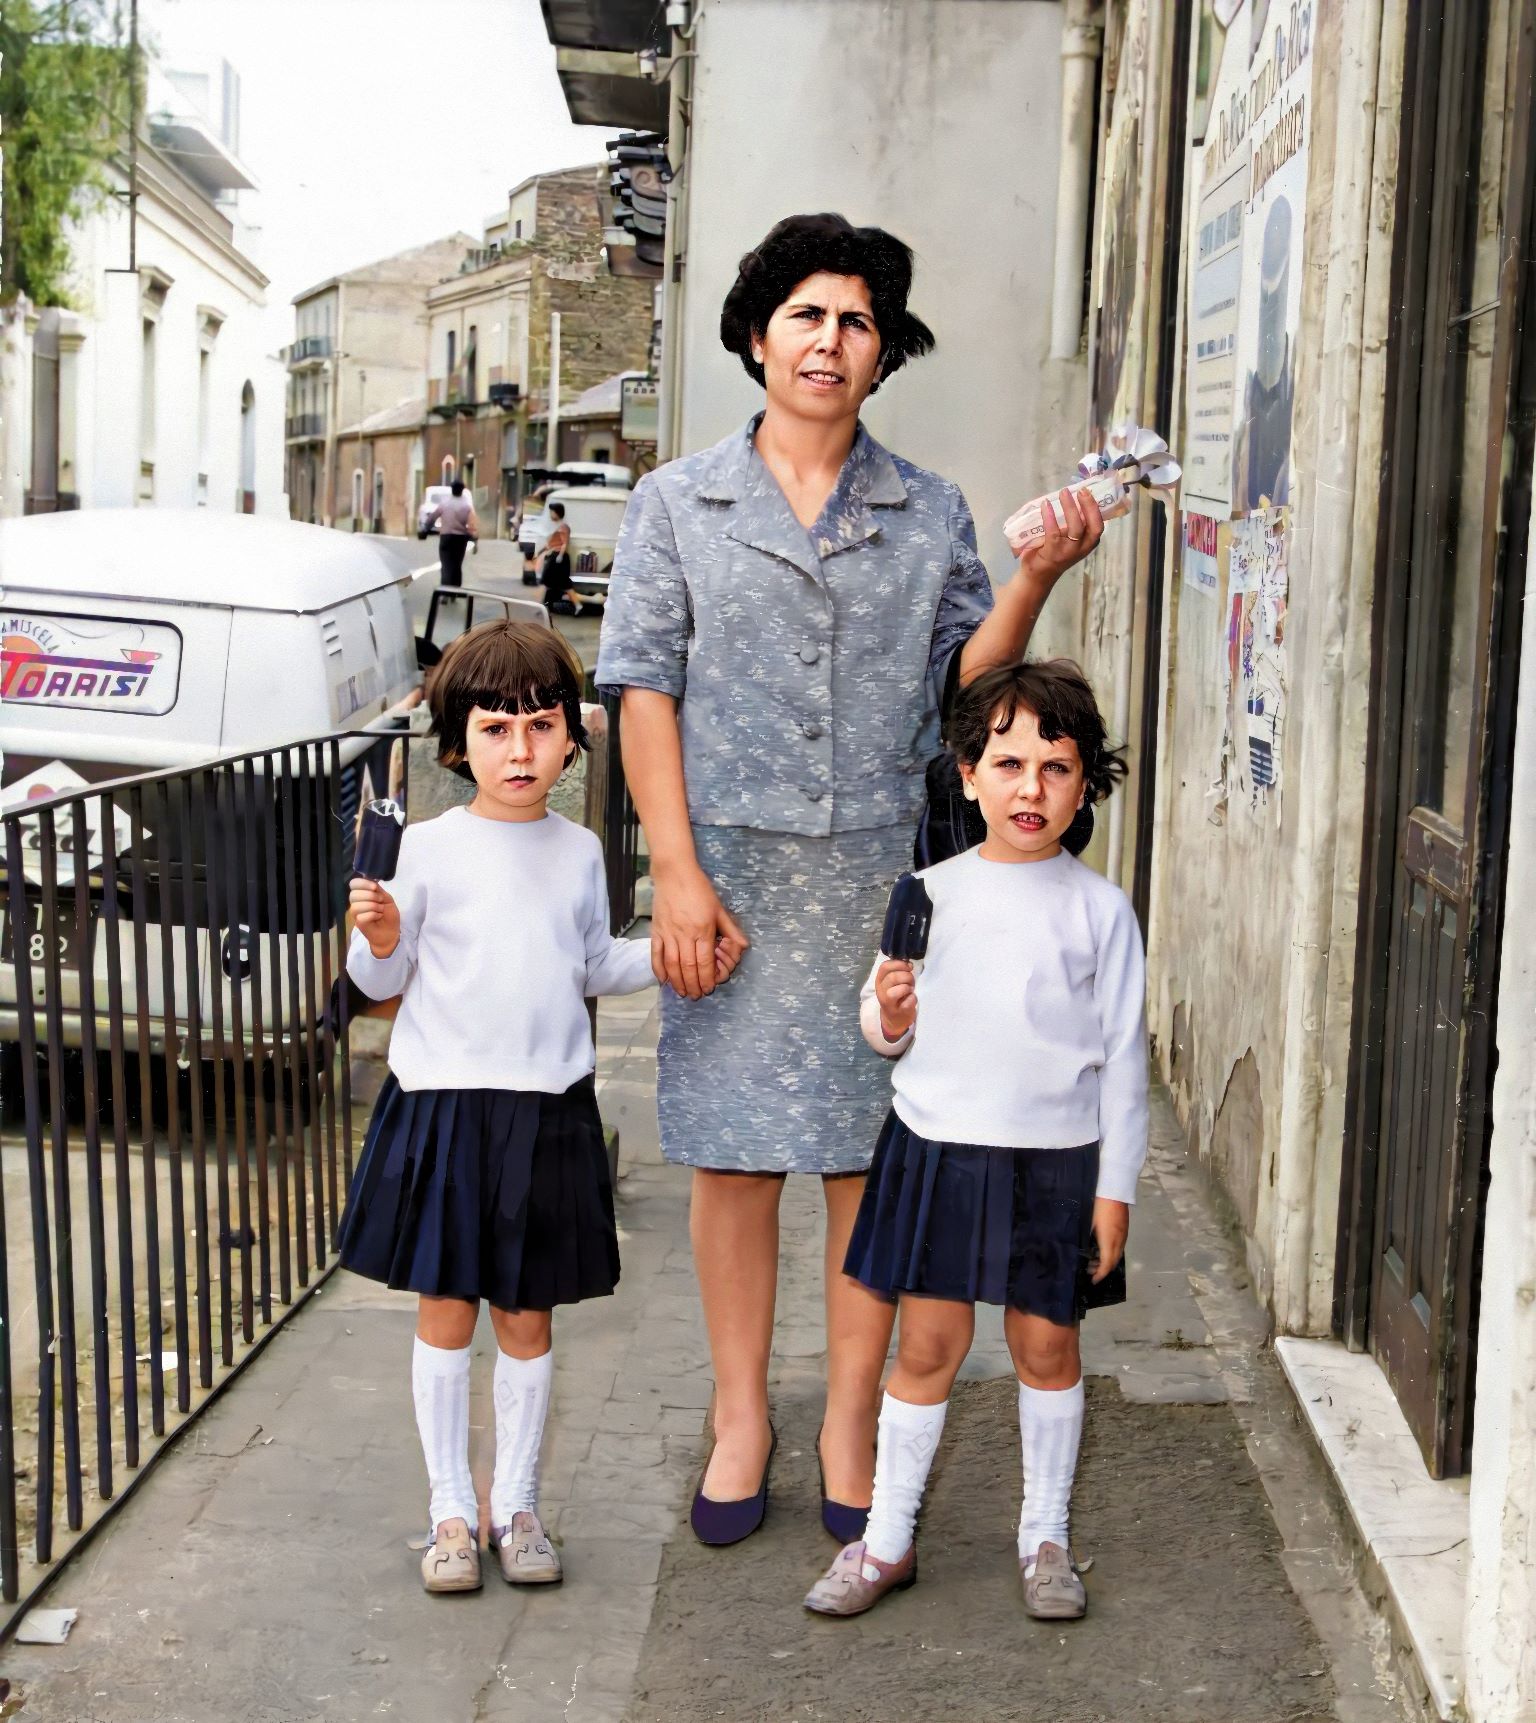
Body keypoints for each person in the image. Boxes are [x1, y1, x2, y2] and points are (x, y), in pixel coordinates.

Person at [595, 213, 1104, 1548]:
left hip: (887, 874)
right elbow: (644, 694)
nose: (830, 341)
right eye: (806, 315)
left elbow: (967, 684)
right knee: (732, 1157)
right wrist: (677, 876)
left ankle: (851, 1416)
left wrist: (1036, 574)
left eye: (858, 320)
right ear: (758, 336)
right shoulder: (675, 505)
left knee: (872, 1157)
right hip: (732, 875)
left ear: (885, 354)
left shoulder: (926, 507)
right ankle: (742, 1412)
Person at [335, 620, 701, 1595]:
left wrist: (677, 957)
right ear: (459, 741)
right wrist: (372, 933)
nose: (521, 749)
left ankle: (518, 1506)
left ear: (570, 741)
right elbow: (381, 976)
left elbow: (589, 961)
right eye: (497, 729)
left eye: (542, 726)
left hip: (545, 1108)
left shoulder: (580, 851)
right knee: (448, 1310)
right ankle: (450, 1512)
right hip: (447, 1107)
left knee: (529, 1319)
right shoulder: (424, 850)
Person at [803, 659, 1147, 1622]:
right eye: (1007, 763)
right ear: (966, 772)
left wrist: (1113, 1190)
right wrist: (891, 1010)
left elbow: (1124, 1063)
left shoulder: (1099, 911)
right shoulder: (928, 891)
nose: (1030, 788)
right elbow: (881, 1025)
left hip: (1056, 1166)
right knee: (927, 1345)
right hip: (940, 1149)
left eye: (1056, 766)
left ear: (1086, 785)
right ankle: (888, 1536)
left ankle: (1045, 1535)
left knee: (1046, 1345)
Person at [538, 503, 591, 615]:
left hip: (559, 559)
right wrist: (541, 552)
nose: (551, 514)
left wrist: (560, 556)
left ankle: (575, 605)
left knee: (561, 584)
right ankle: (547, 607)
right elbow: (551, 544)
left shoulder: (563, 527)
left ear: (558, 513)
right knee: (552, 584)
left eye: (553, 512)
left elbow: (564, 543)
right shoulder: (555, 526)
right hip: (555, 557)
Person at [425, 477, 478, 587]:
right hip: (460, 539)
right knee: (457, 565)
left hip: (446, 537)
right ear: (462, 490)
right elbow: (472, 525)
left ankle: (444, 589)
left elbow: (432, 518)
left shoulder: (444, 504)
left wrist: (425, 528)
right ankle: (456, 590)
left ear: (452, 489)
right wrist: (474, 538)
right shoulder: (467, 506)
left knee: (446, 564)